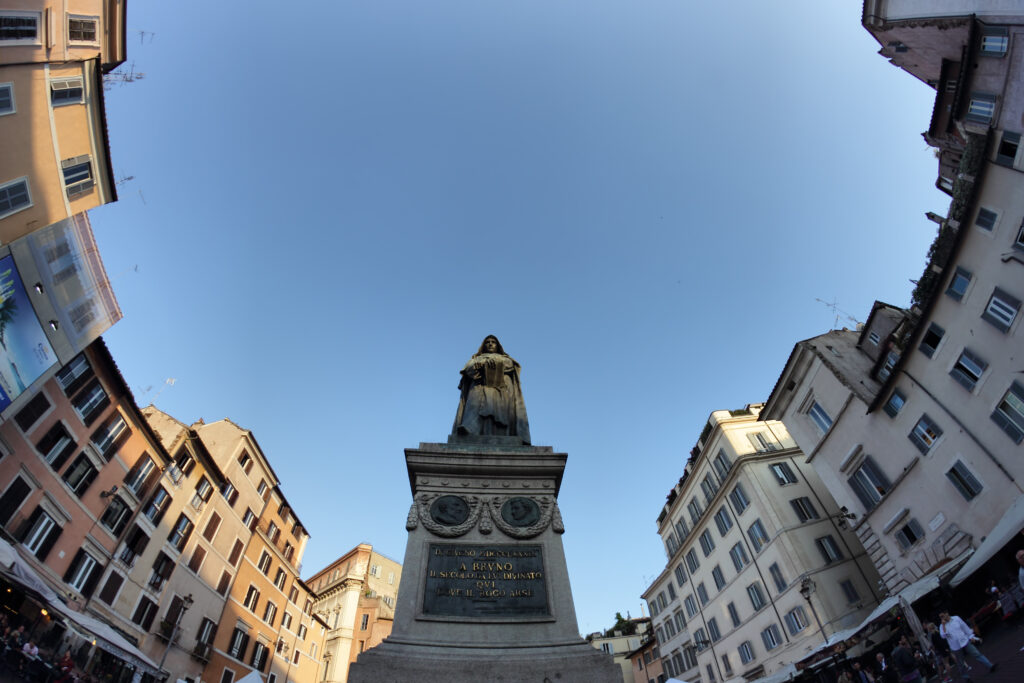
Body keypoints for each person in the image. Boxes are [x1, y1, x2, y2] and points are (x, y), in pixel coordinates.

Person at [452, 336, 531, 444]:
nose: (490, 344)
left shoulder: (505, 358)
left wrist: (495, 363)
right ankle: (469, 429)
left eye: (493, 342)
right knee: (474, 405)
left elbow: (510, 365)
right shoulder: (476, 358)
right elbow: (468, 369)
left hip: (500, 390)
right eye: (487, 342)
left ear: (498, 346)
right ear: (483, 346)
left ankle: (502, 434)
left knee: (497, 410)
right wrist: (478, 366)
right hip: (479, 387)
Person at [938, 610, 996, 678]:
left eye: (942, 615)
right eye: (940, 617)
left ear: (947, 613)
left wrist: (971, 636)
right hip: (955, 646)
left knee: (977, 653)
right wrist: (944, 626)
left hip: (965, 641)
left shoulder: (956, 618)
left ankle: (990, 665)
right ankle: (966, 677)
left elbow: (964, 627)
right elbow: (943, 636)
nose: (942, 618)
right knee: (961, 663)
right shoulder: (941, 626)